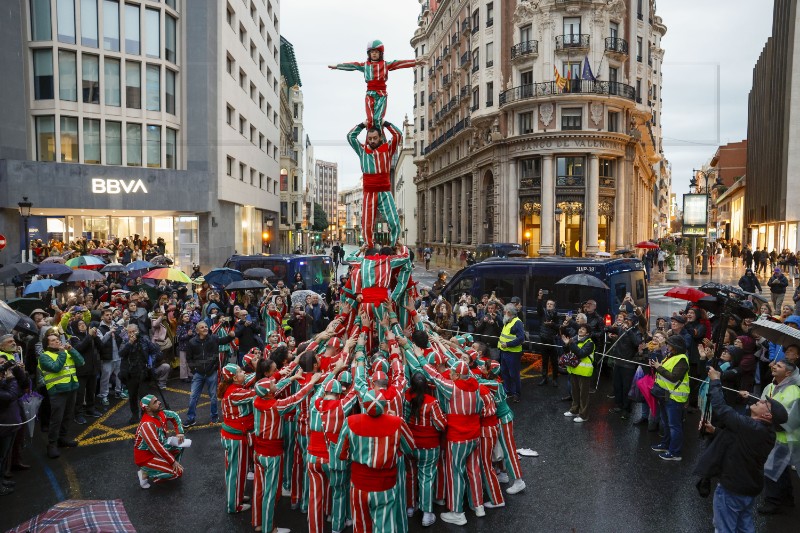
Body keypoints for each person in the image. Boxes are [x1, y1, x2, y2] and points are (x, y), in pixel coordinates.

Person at [696, 367, 787, 532]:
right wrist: (715, 431)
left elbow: (722, 409)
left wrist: (716, 381)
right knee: (744, 527)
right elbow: (741, 440)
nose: (758, 401)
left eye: (763, 403)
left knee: (724, 528)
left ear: (767, 416)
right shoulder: (765, 431)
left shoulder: (752, 427)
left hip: (733, 488)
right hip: (748, 487)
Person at [334, 388, 416, 533]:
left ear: (364, 405)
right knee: (385, 526)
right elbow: (409, 447)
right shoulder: (397, 422)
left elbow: (340, 453)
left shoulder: (350, 421)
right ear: (384, 405)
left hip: (359, 485)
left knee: (361, 526)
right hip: (385, 485)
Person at [328, 40, 420, 129]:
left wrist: (415, 62)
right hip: (370, 94)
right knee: (370, 119)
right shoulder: (365, 65)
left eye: (376, 52)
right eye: (372, 52)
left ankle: (381, 138)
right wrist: (337, 66)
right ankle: (370, 139)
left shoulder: (385, 65)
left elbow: (400, 63)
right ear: (369, 54)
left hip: (381, 95)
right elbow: (352, 65)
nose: (374, 54)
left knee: (377, 119)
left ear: (380, 53)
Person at [347, 120, 403, 248]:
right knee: (367, 223)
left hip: (384, 190)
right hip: (369, 192)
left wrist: (385, 124)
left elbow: (398, 135)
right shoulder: (362, 150)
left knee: (394, 220)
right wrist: (362, 125)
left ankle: (395, 244)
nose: (372, 141)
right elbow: (350, 137)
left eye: (375, 138)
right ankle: (368, 246)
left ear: (380, 137)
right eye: (370, 138)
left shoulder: (388, 150)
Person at [758, 360, 800, 515]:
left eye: (780, 366)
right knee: (781, 469)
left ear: (788, 373)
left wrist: (771, 417)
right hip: (773, 434)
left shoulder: (794, 391)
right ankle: (787, 498)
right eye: (776, 365)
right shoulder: (770, 386)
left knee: (771, 469)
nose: (774, 366)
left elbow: (791, 418)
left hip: (785, 437)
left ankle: (772, 502)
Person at [38, 331, 85, 458]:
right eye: (52, 340)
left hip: (71, 387)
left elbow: (81, 362)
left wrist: (72, 350)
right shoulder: (44, 356)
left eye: (57, 339)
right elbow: (56, 368)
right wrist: (62, 352)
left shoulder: (65, 351)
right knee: (56, 419)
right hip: (57, 391)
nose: (57, 341)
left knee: (67, 416)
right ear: (47, 344)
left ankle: (62, 438)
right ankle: (52, 444)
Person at [218, 363, 256, 514]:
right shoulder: (234, 393)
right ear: (234, 378)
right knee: (236, 471)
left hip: (235, 436)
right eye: (241, 371)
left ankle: (237, 497)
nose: (244, 372)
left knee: (238, 470)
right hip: (235, 438)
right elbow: (257, 391)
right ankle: (234, 505)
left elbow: (253, 377)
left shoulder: (233, 388)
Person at [185, 321, 235, 427]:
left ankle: (214, 417)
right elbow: (189, 358)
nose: (205, 329)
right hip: (198, 373)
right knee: (193, 397)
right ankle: (190, 419)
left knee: (213, 397)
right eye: (202, 327)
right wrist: (194, 370)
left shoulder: (213, 338)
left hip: (211, 372)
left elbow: (224, 340)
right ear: (197, 331)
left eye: (206, 327)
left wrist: (231, 336)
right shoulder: (192, 342)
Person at [650, 335, 690, 461]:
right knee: (666, 422)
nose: (667, 346)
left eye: (670, 344)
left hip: (675, 397)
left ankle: (675, 452)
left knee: (674, 425)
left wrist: (658, 367)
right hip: (665, 394)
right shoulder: (670, 356)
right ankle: (665, 444)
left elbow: (673, 377)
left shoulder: (682, 359)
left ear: (676, 346)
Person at [133, 394, 185, 489]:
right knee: (178, 473)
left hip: (157, 449)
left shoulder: (160, 413)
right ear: (148, 408)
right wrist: (172, 462)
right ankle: (146, 473)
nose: (159, 402)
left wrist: (180, 432)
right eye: (155, 402)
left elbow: (174, 416)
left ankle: (163, 468)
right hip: (146, 458)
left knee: (180, 445)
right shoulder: (147, 424)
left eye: (157, 400)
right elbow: (156, 447)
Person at [119, 324, 161, 425]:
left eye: (134, 331)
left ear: (138, 331)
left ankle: (145, 415)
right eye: (130, 332)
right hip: (130, 374)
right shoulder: (125, 341)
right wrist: (130, 343)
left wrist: (151, 362)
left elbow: (155, 351)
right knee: (132, 396)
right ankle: (134, 415)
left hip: (143, 373)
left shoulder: (144, 340)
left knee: (144, 396)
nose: (132, 334)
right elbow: (121, 353)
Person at [608, 315, 643, 419]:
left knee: (627, 388)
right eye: (626, 320)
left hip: (629, 364)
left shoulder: (637, 332)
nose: (626, 322)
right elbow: (609, 329)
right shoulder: (620, 329)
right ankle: (618, 405)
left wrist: (629, 331)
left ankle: (627, 409)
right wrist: (609, 327)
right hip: (618, 362)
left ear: (635, 322)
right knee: (617, 385)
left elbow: (637, 342)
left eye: (629, 320)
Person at [561, 324, 595, 423]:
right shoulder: (574, 339)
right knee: (575, 392)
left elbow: (581, 353)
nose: (580, 330)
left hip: (584, 372)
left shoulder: (590, 343)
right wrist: (566, 344)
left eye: (583, 329)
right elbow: (568, 352)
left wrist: (571, 343)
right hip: (574, 370)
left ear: (587, 333)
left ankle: (583, 415)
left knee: (583, 395)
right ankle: (574, 410)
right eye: (580, 328)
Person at [498, 304, 525, 403]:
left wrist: (508, 344)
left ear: (509, 313)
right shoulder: (508, 321)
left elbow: (521, 338)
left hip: (513, 353)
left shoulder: (517, 322)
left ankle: (516, 394)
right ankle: (508, 391)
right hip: (505, 351)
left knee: (514, 374)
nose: (504, 313)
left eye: (505, 311)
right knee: (505, 372)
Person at [536, 290, 560, 386]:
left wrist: (552, 324)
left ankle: (555, 379)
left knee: (554, 361)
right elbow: (538, 308)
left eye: (551, 304)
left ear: (554, 306)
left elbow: (558, 326)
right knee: (544, 360)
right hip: (543, 338)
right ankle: (544, 378)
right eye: (548, 304)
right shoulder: (543, 313)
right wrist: (540, 298)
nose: (549, 305)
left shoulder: (556, 314)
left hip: (552, 339)